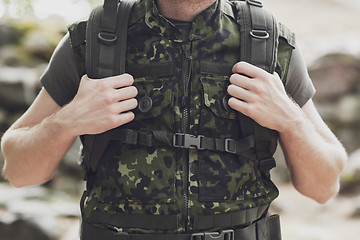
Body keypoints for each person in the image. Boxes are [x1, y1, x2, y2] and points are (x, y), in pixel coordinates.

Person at [1, 0, 347, 239]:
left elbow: (324, 186)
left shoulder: (268, 42)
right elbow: (18, 170)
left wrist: (290, 119)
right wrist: (68, 121)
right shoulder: (96, 39)